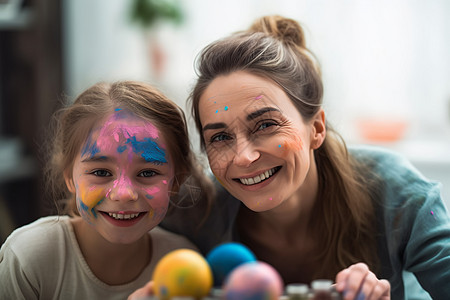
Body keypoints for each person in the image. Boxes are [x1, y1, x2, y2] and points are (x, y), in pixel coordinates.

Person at [153, 15, 450, 299]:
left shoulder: (397, 194)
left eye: (266, 125)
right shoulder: (199, 208)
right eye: (220, 137)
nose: (244, 157)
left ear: (317, 128)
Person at [0, 81, 213, 299]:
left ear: (176, 181)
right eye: (101, 173)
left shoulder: (181, 265)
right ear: (69, 178)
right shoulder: (29, 256)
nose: (123, 193)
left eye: (147, 173)